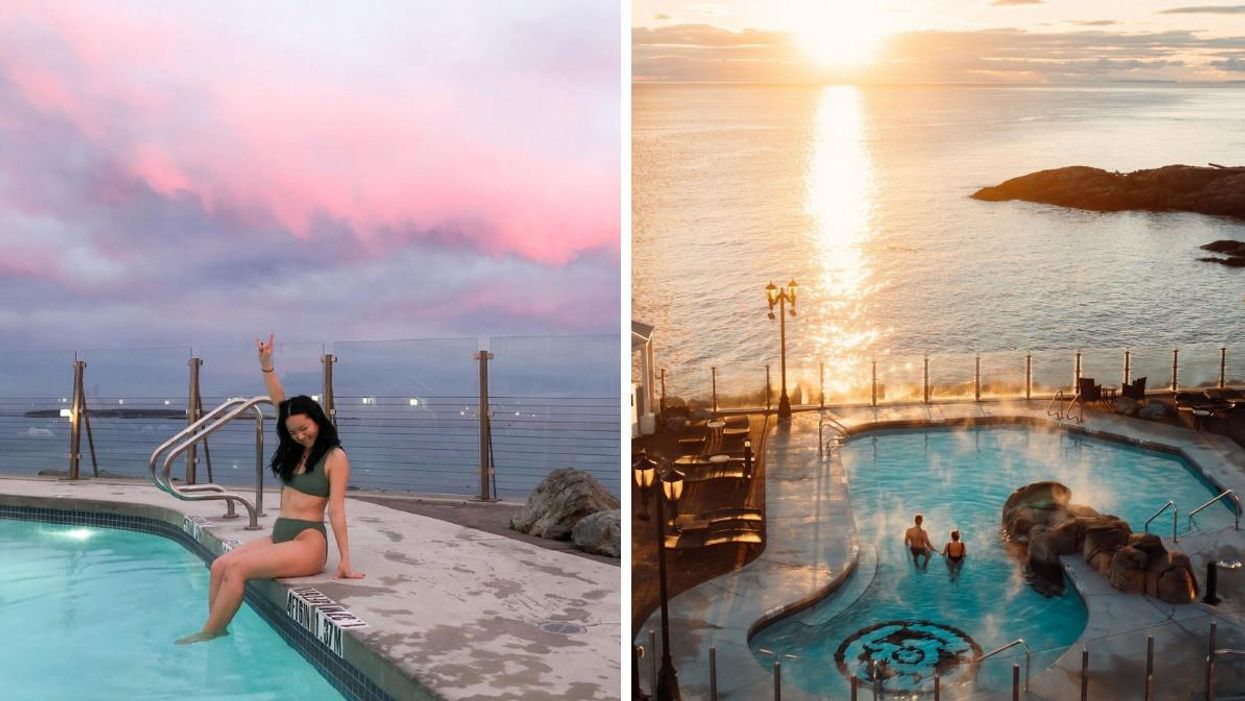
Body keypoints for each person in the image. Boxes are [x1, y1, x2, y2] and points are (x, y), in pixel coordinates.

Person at [177, 334, 365, 644]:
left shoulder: (335, 457)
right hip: (281, 534)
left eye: (305, 428)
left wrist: (345, 560)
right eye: (293, 432)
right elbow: (281, 402)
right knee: (219, 565)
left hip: (309, 542)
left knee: (237, 568)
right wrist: (266, 365)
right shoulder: (295, 446)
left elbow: (337, 510)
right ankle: (217, 622)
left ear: (318, 421)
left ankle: (211, 633)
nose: (300, 435)